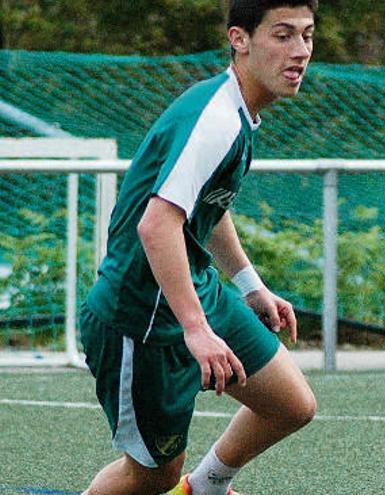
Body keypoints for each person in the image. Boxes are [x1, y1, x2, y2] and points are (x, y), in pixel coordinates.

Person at [78, 1, 318, 494]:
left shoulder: (239, 111)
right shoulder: (216, 120)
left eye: (308, 36)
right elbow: (157, 225)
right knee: (151, 474)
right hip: (141, 319)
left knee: (291, 404)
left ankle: (204, 488)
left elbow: (205, 206)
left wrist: (251, 285)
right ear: (240, 39)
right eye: (283, 35)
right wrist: (197, 330)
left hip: (196, 290)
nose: (300, 53)